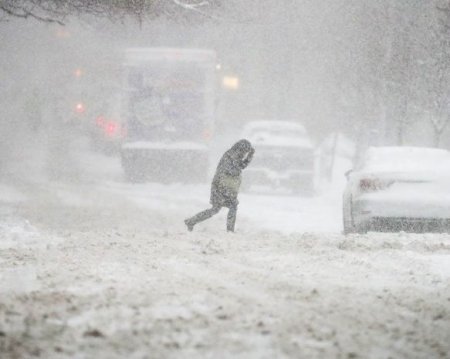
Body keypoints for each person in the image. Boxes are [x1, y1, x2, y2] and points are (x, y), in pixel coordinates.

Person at [184, 139, 255, 232]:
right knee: (223, 207)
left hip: (226, 186)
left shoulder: (235, 155)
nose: (245, 153)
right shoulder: (230, 156)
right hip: (220, 186)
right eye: (245, 151)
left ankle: (191, 221)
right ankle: (229, 230)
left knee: (218, 208)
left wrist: (249, 156)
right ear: (241, 149)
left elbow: (241, 166)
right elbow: (234, 170)